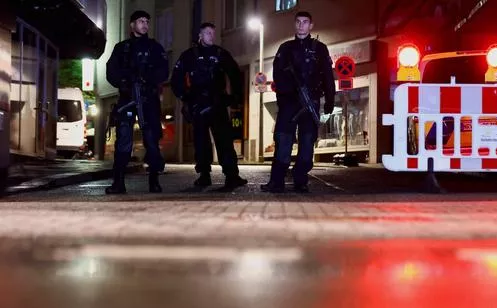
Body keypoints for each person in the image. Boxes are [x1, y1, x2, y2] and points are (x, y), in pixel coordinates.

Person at [261, 11, 335, 193]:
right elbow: (278, 74)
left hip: (311, 102)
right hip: (290, 103)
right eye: (298, 22)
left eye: (305, 22)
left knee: (307, 142)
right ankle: (276, 181)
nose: (301, 25)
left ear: (311, 26)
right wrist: (288, 94)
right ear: (295, 25)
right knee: (283, 141)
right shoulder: (285, 48)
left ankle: (300, 179)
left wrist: (330, 99)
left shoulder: (320, 48)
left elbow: (327, 75)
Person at [170, 22, 247, 191]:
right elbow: (176, 79)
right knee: (201, 142)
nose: (211, 36)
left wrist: (234, 97)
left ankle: (232, 175)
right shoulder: (189, 55)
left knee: (225, 140)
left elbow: (235, 74)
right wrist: (186, 98)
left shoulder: (220, 53)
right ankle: (204, 175)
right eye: (207, 33)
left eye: (213, 33)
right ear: (200, 35)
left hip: (217, 103)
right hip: (198, 103)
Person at [105, 10, 168, 194]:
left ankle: (154, 180)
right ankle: (118, 182)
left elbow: (164, 71)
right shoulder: (122, 48)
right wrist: (124, 82)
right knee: (123, 141)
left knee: (151, 140)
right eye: (141, 21)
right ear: (132, 25)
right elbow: (111, 72)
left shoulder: (154, 47)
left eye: (147, 21)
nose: (145, 24)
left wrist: (147, 79)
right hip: (127, 99)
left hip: (148, 100)